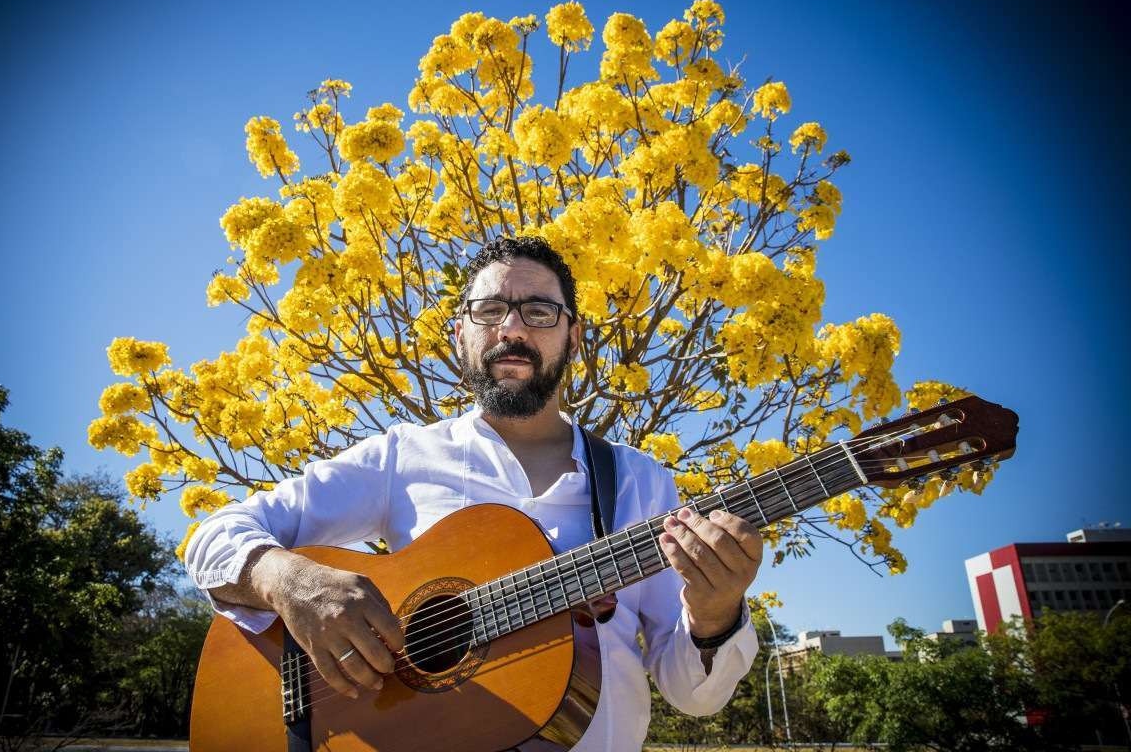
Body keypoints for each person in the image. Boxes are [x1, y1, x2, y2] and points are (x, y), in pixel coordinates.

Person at [185, 235, 762, 750]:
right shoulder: (400, 457)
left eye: (539, 311)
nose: (512, 329)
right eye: (490, 310)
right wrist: (289, 583)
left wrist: (716, 614)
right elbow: (213, 539)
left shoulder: (642, 483)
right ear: (460, 333)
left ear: (575, 336)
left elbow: (694, 696)